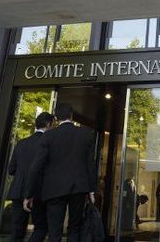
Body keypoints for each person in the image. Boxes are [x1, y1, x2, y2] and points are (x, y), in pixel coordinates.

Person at [24, 103, 97, 242]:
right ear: (71, 116)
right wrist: (91, 190)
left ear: (56, 118)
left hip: (54, 188)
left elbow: (36, 165)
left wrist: (29, 193)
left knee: (54, 230)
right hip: (79, 187)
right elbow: (90, 164)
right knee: (75, 227)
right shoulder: (85, 134)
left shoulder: (49, 135)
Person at [7, 112, 54, 242]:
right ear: (48, 124)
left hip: (18, 191)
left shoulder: (21, 143)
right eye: (53, 125)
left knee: (17, 230)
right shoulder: (49, 144)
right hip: (38, 192)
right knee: (41, 227)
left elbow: (11, 170)